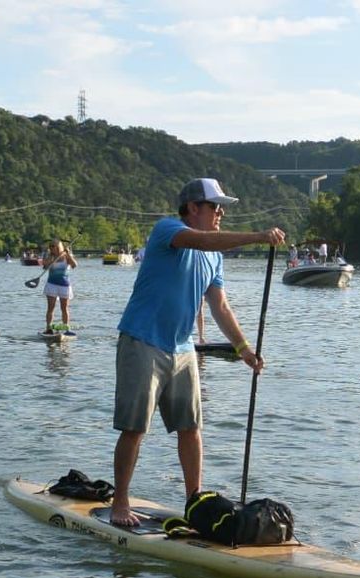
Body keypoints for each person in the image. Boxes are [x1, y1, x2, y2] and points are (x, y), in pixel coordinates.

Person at [110, 177, 285, 527]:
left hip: (182, 348)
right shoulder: (168, 230)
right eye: (214, 206)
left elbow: (220, 306)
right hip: (143, 341)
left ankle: (195, 502)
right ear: (193, 208)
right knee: (135, 430)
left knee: (191, 428)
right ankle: (120, 503)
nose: (220, 213)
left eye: (222, 207)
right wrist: (257, 237)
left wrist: (244, 349)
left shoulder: (213, 258)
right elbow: (202, 241)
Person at [42, 237, 78, 333]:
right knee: (50, 308)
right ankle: (49, 328)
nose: (51, 248)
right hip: (52, 284)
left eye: (53, 246)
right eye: (50, 246)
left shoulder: (66, 255)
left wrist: (68, 254)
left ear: (59, 246)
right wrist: (50, 260)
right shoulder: (49, 256)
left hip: (64, 285)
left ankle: (66, 328)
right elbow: (44, 266)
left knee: (64, 308)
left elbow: (74, 265)